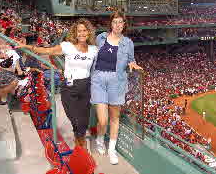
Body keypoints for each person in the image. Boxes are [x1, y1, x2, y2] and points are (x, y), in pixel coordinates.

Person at [16, 18, 98, 149]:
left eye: (84, 30)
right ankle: (80, 143)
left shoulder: (94, 49)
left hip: (86, 87)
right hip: (70, 88)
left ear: (89, 32)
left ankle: (80, 147)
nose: (82, 33)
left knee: (83, 122)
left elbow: (106, 61)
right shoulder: (67, 46)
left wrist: (129, 61)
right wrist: (26, 46)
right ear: (75, 33)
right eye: (79, 31)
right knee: (75, 120)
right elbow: (47, 51)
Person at [90, 11, 142, 165]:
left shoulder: (128, 43)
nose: (118, 25)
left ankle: (112, 150)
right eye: (115, 22)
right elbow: (90, 54)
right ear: (111, 23)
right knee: (103, 120)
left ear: (124, 25)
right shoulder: (100, 38)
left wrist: (132, 64)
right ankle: (100, 138)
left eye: (121, 22)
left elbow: (131, 60)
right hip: (98, 80)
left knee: (115, 118)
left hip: (117, 82)